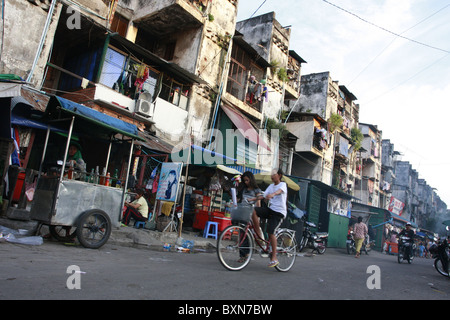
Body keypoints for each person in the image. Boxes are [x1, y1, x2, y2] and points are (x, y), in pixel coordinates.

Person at [250, 169, 287, 268]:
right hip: (271, 210)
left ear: (279, 175)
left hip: (279, 213)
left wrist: (273, 194)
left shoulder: (283, 185)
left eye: (274, 175)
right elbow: (263, 195)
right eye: (271, 175)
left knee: (271, 232)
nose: (272, 176)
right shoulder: (271, 186)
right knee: (253, 210)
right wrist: (252, 199)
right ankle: (258, 233)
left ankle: (274, 258)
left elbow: (279, 192)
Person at [236, 171, 263, 262]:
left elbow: (259, 200)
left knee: (247, 234)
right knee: (242, 234)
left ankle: (247, 254)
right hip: (242, 212)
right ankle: (242, 255)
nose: (246, 182)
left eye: (247, 180)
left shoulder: (256, 190)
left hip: (252, 213)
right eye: (245, 181)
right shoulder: (243, 189)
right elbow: (240, 199)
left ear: (251, 179)